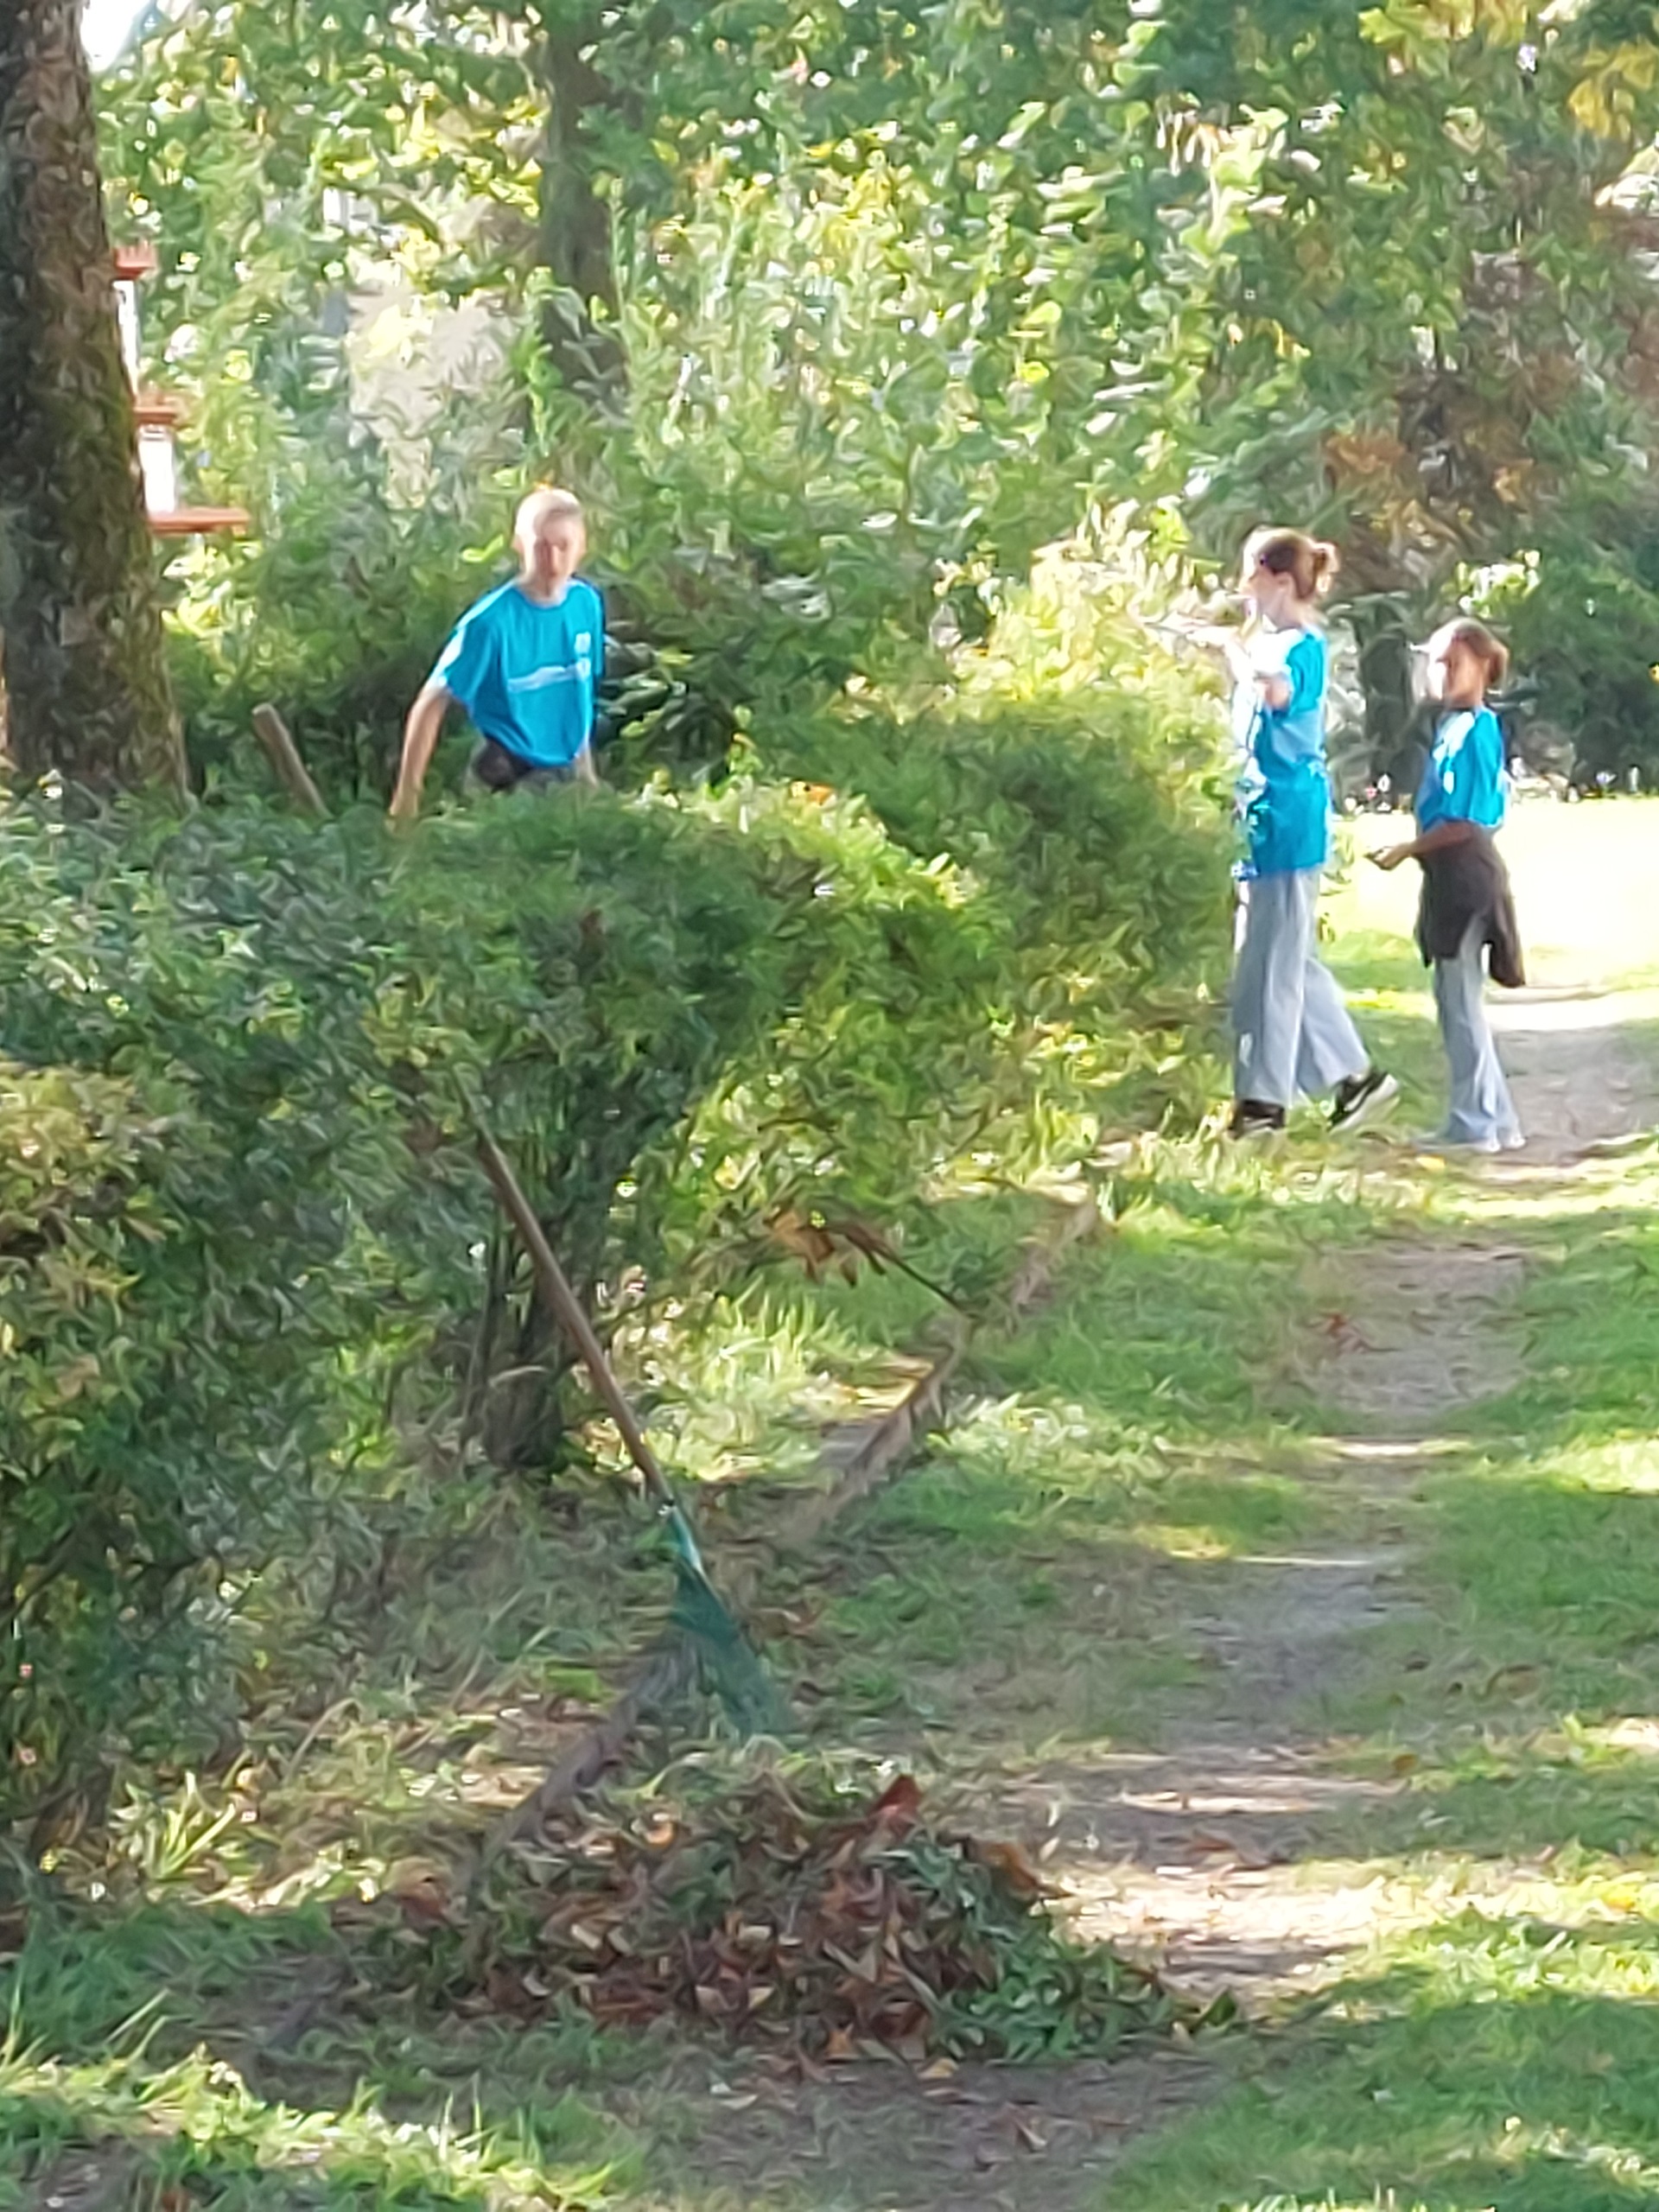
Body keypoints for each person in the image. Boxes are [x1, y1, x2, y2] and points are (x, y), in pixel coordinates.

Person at [1226, 527, 1396, 1138]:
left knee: (1272, 967)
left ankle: (1263, 1104)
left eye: (1249, 574)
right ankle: (1356, 1078)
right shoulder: (1266, 643)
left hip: (1290, 822)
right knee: (1279, 960)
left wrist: (1229, 650)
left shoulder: (1300, 647)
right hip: (1259, 822)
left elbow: (1275, 695)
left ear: (1277, 580)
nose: (1242, 588)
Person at [1371, 618, 1525, 1154]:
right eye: (1435, 663)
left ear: (1481, 665)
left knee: (1460, 1004)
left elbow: (1466, 821)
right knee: (1458, 1000)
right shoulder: (1451, 727)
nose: (1440, 674)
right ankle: (1497, 1119)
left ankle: (1474, 1123)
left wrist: (1406, 849)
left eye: (1451, 662)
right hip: (1451, 873)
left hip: (1465, 874)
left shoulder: (1477, 729)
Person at [390, 486, 603, 820]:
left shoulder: (585, 604)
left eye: (563, 546)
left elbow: (577, 692)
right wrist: (406, 799)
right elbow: (432, 700)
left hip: (566, 767)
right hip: (506, 771)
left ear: (582, 545)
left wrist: (586, 773)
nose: (553, 560)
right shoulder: (490, 623)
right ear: (519, 544)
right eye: (540, 547)